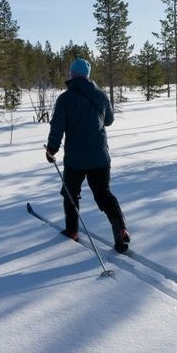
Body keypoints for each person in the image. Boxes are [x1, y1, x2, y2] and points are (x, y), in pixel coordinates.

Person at [45, 58, 130, 252]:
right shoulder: (100, 95)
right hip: (100, 157)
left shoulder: (65, 98)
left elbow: (57, 127)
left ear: (73, 75)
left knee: (70, 193)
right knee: (104, 194)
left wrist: (51, 149)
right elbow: (108, 120)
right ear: (88, 76)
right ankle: (121, 230)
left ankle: (72, 231)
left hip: (76, 159)